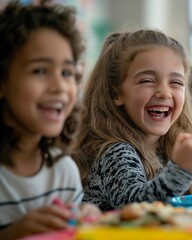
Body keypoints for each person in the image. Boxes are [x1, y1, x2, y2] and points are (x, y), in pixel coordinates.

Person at [73, 29, 192, 212]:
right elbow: (137, 208)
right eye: (147, 80)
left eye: (176, 82)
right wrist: (181, 171)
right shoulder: (114, 151)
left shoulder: (167, 147)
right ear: (117, 93)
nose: (164, 92)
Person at [0, 1, 100, 239]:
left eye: (67, 73)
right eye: (40, 71)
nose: (59, 87)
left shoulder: (63, 171)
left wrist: (87, 218)